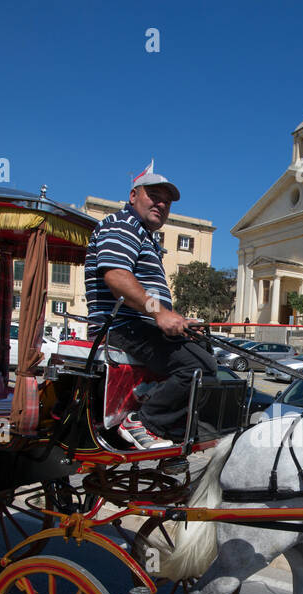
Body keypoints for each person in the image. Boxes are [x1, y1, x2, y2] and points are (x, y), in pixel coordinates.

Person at [84, 163, 213, 450]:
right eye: (154, 196)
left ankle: (165, 415)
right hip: (120, 327)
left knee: (203, 349)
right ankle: (143, 421)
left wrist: (177, 319)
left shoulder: (144, 236)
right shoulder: (122, 225)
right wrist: (160, 313)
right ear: (133, 196)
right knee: (198, 367)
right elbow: (117, 277)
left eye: (166, 201)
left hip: (141, 325)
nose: (161, 204)